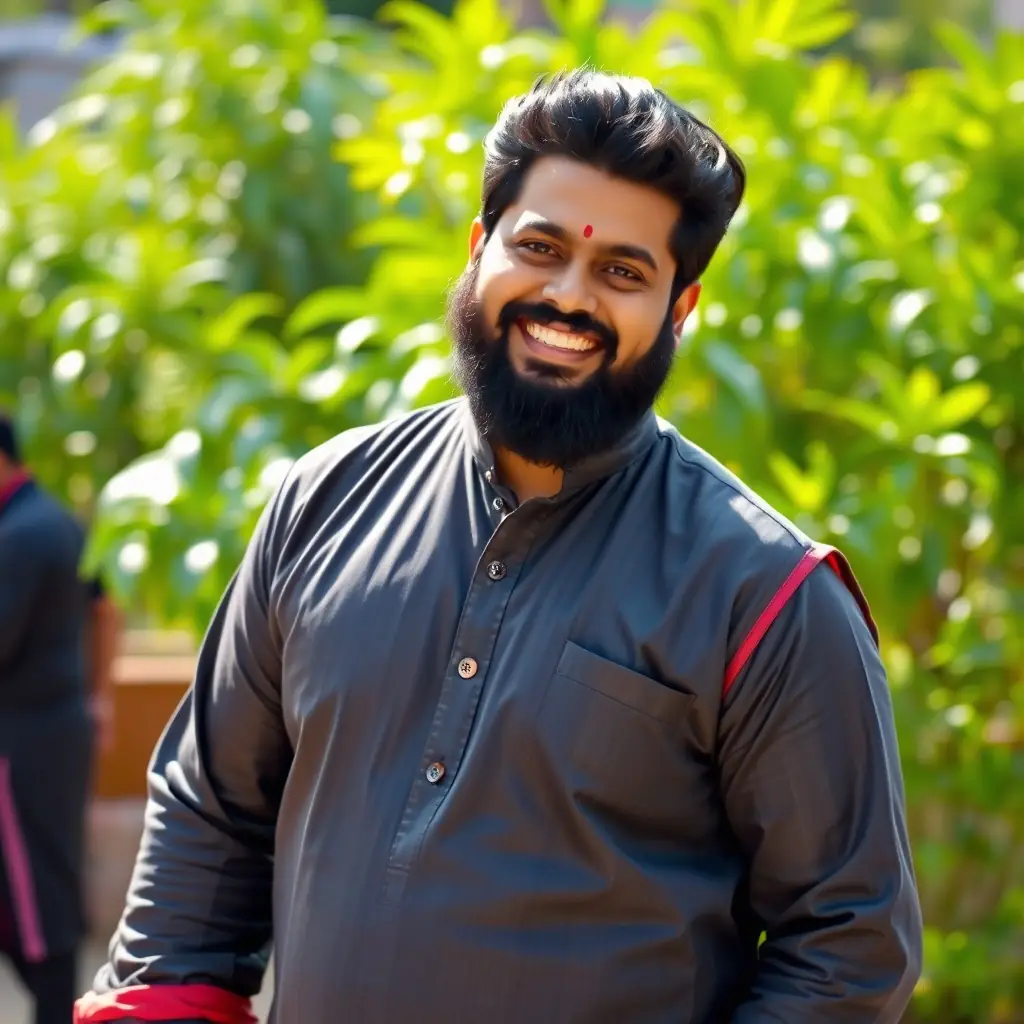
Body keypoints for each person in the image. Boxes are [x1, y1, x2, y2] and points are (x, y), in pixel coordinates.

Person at [76, 70, 922, 1023]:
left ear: (681, 309)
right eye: (539, 248)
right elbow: (210, 809)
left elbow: (849, 942)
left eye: (622, 272)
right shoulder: (326, 501)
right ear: (480, 250)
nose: (568, 296)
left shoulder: (765, 594)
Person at [0, 412, 120, 1024]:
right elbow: (107, 609)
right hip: (54, 731)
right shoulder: (53, 521)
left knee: (34, 897)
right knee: (42, 883)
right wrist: (100, 696)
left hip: (21, 745)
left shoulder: (20, 535)